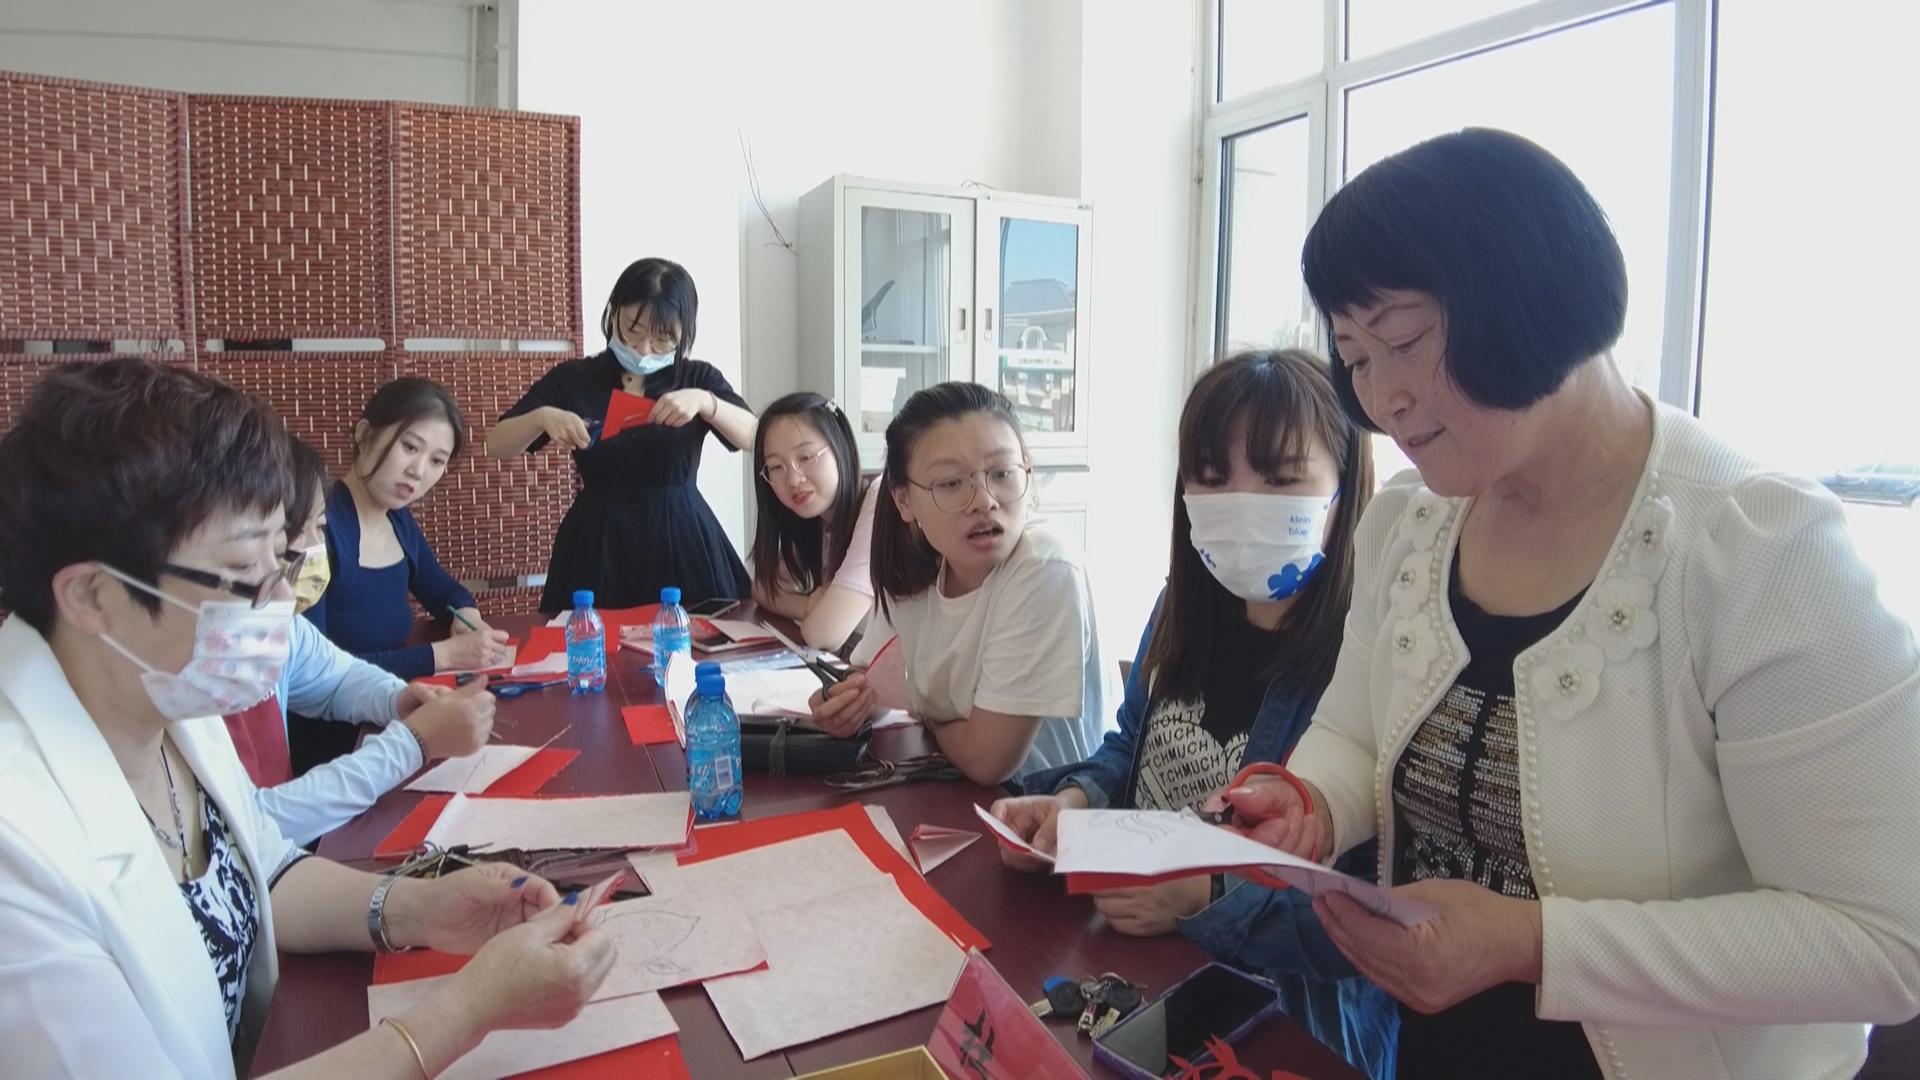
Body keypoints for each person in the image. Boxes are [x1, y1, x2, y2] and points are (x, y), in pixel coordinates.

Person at [1227, 128, 1920, 1079]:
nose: (1382, 398)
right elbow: (1353, 731)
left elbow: (1879, 941)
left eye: (1404, 341)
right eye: (1354, 355)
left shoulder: (1759, 552)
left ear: (1531, 297)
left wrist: (1532, 944)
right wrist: (1307, 801)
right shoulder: (1408, 527)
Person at [0, 358, 612, 1077]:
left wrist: (423, 907)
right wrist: (469, 1010)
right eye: (245, 576)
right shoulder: (19, 849)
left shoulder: (164, 699)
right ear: (94, 596)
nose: (280, 605)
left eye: (284, 564)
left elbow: (265, 867)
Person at [988, 350, 1395, 1078]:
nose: (1241, 502)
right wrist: (1072, 803)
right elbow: (1131, 750)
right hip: (1137, 976)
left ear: (1345, 485)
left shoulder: (1378, 656)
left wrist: (1204, 898)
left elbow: (1377, 908)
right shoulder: (1182, 607)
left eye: (1280, 478)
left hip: (1284, 1027)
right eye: (1211, 477)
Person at [809, 382, 1106, 787]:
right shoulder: (919, 566)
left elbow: (987, 761)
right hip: (953, 792)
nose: (984, 500)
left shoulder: (1044, 566)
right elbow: (873, 681)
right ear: (903, 501)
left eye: (1001, 473)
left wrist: (924, 712)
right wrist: (845, 705)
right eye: (951, 483)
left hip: (1039, 808)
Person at [223, 436, 498, 846]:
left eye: (437, 459)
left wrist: (398, 699)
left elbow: (338, 677)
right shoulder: (191, 669)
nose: (418, 469)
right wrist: (412, 743)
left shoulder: (278, 623)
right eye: (297, 531)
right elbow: (247, 828)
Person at [485, 257, 756, 611]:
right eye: (633, 329)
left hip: (683, 537)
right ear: (613, 313)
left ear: (683, 335)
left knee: (692, 637)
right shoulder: (574, 378)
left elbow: (756, 437)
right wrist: (542, 417)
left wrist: (708, 403)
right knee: (590, 639)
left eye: (662, 339)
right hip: (597, 542)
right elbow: (496, 443)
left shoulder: (697, 378)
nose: (643, 349)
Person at [304, 377, 513, 683]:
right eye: (410, 447)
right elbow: (311, 670)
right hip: (341, 712)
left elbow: (444, 591)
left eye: (436, 460)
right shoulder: (317, 529)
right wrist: (443, 656)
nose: (418, 471)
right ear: (364, 435)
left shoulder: (398, 521)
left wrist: (467, 615)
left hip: (394, 699)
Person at [748, 392, 880, 651]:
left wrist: (816, 614)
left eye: (806, 457)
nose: (793, 479)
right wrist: (806, 605)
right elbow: (762, 588)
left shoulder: (880, 501)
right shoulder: (818, 519)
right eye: (776, 467)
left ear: (840, 445)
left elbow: (824, 634)